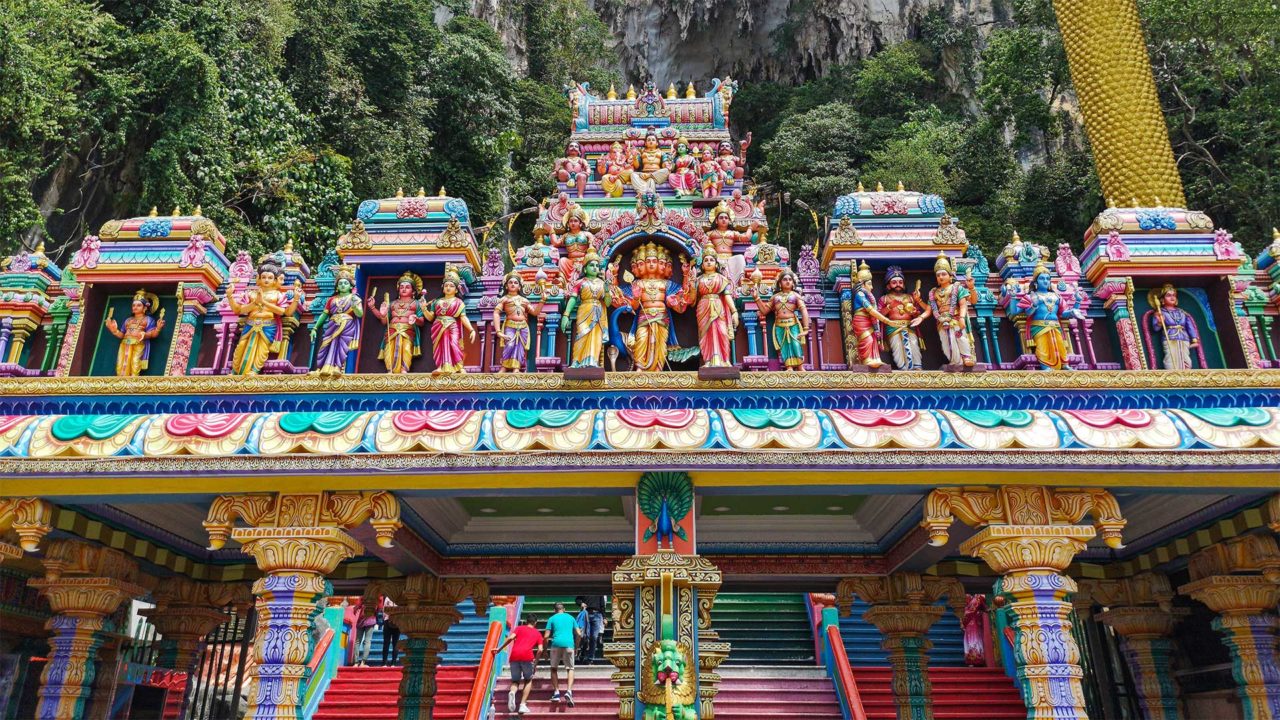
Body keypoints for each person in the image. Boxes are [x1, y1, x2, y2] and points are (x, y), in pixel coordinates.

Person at [494, 613, 543, 716]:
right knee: (528, 680)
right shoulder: (538, 633)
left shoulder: (519, 628)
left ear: (526, 622)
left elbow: (510, 638)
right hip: (527, 657)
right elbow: (540, 650)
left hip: (514, 656)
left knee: (515, 681)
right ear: (536, 623)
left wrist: (499, 649)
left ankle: (512, 692)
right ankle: (522, 705)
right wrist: (536, 662)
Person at [543, 602, 580, 705]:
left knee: (553, 669)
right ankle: (569, 691)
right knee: (570, 668)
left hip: (555, 644)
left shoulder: (552, 618)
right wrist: (576, 647)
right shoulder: (571, 618)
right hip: (569, 645)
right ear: (564, 609)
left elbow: (546, 636)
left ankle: (556, 692)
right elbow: (579, 634)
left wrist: (545, 651)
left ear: (554, 610)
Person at [378, 596, 401, 666]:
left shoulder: (388, 598)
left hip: (388, 621)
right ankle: (393, 663)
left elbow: (384, 610)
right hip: (397, 622)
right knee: (395, 643)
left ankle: (385, 663)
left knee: (387, 643)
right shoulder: (400, 599)